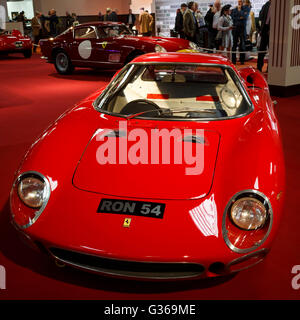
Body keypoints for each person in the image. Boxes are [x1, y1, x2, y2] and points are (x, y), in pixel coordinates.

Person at [231, 0, 250, 65]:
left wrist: (239, 11)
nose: (240, 3)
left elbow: (245, 17)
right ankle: (233, 61)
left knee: (242, 45)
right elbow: (233, 18)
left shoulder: (246, 8)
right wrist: (240, 17)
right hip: (235, 29)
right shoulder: (234, 9)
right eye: (239, 1)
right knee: (234, 45)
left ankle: (242, 61)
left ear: (243, 2)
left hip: (242, 29)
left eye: (241, 1)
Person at [257, 0, 271, 72]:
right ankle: (259, 68)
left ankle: (269, 69)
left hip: (272, 31)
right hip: (264, 30)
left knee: (271, 51)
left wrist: (271, 29)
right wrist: (260, 29)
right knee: (261, 50)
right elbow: (260, 17)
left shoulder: (277, 6)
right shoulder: (266, 5)